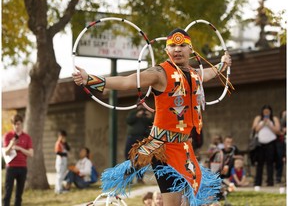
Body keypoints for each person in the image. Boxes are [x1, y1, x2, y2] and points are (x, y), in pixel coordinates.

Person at [72, 28, 232, 206]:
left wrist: (223, 65)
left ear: (191, 50)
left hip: (185, 148)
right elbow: (128, 81)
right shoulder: (159, 73)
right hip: (163, 150)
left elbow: (208, 73)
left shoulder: (194, 75)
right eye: (172, 46)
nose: (177, 50)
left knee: (199, 198)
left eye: (182, 45)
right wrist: (90, 79)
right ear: (166, 50)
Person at [2, 114, 34, 206]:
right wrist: (11, 144)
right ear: (12, 124)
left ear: (21, 124)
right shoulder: (8, 136)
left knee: (19, 194)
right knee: (8, 192)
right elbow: (6, 153)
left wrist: (19, 148)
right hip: (11, 168)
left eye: (18, 124)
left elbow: (31, 153)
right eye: (15, 124)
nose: (17, 126)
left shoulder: (27, 137)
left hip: (22, 168)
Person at [252, 105, 280, 187]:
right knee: (259, 163)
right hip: (260, 144)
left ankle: (270, 182)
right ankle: (258, 182)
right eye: (265, 112)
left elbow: (278, 131)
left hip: (271, 143)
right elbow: (255, 129)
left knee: (270, 163)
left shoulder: (274, 119)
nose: (266, 113)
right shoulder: (258, 118)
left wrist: (269, 124)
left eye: (268, 112)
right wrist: (263, 123)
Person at [125, 104, 154, 184]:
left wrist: (150, 117)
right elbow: (128, 121)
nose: (141, 107)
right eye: (140, 105)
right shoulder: (133, 113)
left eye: (143, 105)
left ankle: (140, 178)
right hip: (132, 138)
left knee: (141, 159)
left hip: (142, 139)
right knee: (129, 158)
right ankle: (128, 178)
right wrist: (137, 116)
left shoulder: (147, 114)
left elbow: (153, 125)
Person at [54, 130, 70, 194]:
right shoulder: (58, 143)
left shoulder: (63, 144)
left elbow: (68, 149)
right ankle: (58, 189)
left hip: (64, 161)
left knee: (62, 175)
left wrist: (65, 143)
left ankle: (59, 187)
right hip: (60, 161)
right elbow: (57, 152)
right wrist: (65, 154)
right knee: (59, 175)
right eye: (62, 137)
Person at [275, 110, 286, 183]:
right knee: (280, 161)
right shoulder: (280, 124)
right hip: (281, 144)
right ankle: (278, 178)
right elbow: (278, 132)